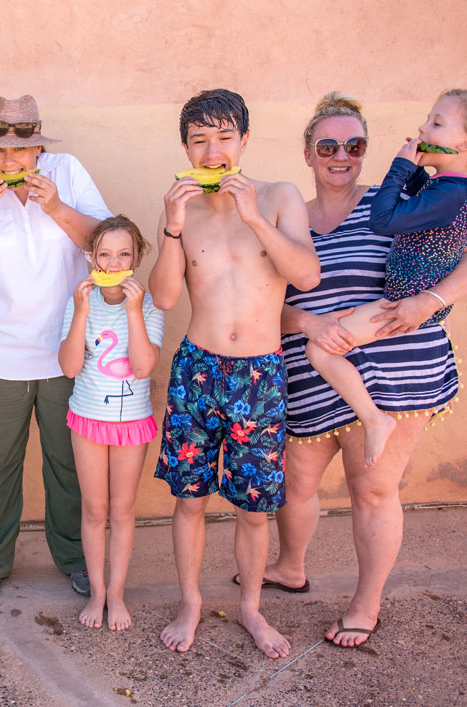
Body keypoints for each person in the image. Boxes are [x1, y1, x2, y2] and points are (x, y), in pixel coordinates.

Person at [261, 92, 467, 648]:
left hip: (395, 369)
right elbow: (260, 298)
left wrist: (429, 301)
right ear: (309, 153)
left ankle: (366, 605)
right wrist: (309, 325)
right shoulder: (284, 216)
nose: (341, 155)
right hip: (311, 369)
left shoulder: (399, 195)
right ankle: (291, 566)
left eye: (354, 144)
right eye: (328, 145)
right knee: (296, 482)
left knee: (373, 490)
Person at [149, 89, 320, 658]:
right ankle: (191, 602)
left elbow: (308, 275)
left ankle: (250, 608)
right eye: (200, 140)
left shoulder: (278, 196)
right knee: (190, 499)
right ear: (185, 147)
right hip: (198, 369)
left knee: (253, 507)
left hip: (260, 375)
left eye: (224, 138)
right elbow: (166, 296)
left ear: (244, 140)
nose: (213, 151)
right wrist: (172, 227)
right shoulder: (180, 208)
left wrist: (254, 218)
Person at [0, 94, 112, 600]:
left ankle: (76, 556)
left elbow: (104, 242)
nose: (10, 162)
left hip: (66, 348)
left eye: (20, 150)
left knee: (67, 460)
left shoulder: (69, 172)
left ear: (39, 147)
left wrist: (56, 206)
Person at [303, 89, 467, 466]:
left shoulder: (452, 192)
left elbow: (383, 220)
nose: (422, 128)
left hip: (401, 311)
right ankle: (373, 415)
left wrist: (399, 168)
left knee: (318, 350)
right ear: (308, 154)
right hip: (389, 305)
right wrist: (416, 170)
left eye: (436, 123)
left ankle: (374, 419)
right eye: (328, 147)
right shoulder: (444, 188)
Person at [58, 216, 164, 630]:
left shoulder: (150, 306)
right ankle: (97, 592)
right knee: (94, 508)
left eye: (124, 254)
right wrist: (82, 311)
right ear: (91, 259)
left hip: (131, 423)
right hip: (87, 419)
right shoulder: (78, 302)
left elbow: (141, 368)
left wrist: (136, 311)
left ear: (137, 259)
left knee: (121, 510)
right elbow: (68, 367)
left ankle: (116, 594)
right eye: (105, 254)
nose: (114, 261)